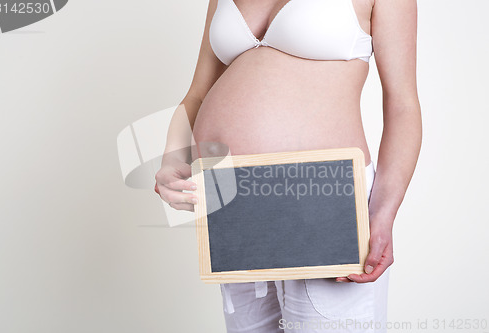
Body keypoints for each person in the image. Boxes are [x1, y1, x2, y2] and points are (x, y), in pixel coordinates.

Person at [155, 0, 421, 331]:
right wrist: (172, 159)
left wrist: (382, 214)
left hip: (326, 204)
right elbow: (197, 94)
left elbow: (403, 105)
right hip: (237, 211)